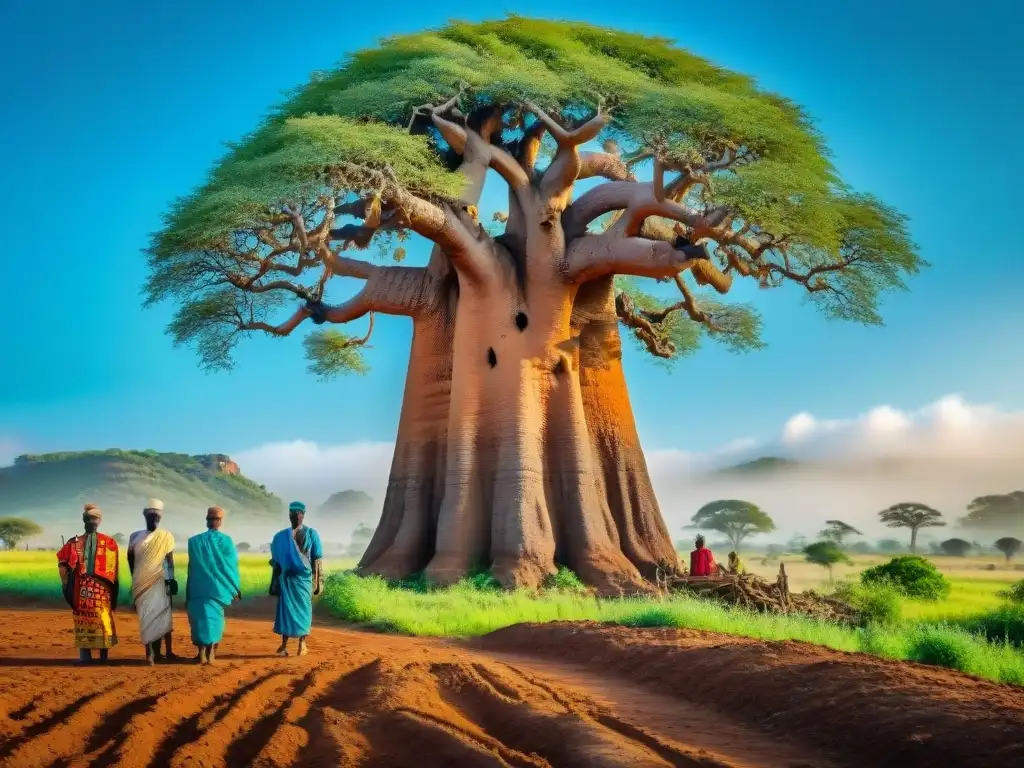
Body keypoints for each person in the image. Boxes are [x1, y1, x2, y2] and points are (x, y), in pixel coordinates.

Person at [56, 504, 120, 663]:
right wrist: (115, 597)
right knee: (102, 621)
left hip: (82, 588)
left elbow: (63, 568)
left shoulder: (73, 542)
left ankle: (86, 658)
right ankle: (103, 658)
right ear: (99, 521)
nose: (92, 522)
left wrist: (67, 587)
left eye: (92, 519)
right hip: (101, 590)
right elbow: (114, 576)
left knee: (83, 620)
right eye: (91, 519)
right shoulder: (109, 542)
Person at [186, 506, 241, 665]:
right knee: (214, 621)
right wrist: (235, 588)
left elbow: (192, 567)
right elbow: (231, 567)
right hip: (217, 589)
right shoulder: (226, 541)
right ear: (220, 522)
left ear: (207, 521)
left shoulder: (194, 541)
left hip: (198, 588)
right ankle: (211, 653)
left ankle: (201, 653)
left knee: (199, 621)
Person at [269, 501, 323, 656]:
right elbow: (277, 563)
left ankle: (302, 644)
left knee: (304, 610)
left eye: (299, 514)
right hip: (286, 580)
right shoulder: (280, 537)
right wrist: (273, 583)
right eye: (293, 514)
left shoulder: (312, 534)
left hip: (304, 580)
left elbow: (316, 560)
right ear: (289, 515)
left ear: (303, 515)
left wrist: (317, 582)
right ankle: (284, 644)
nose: (296, 517)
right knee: (285, 611)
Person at [128, 499, 177, 665]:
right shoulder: (135, 536)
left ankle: (165, 652)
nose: (154, 519)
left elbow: (170, 561)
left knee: (163, 618)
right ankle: (150, 655)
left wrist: (172, 580)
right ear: (145, 515)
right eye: (151, 516)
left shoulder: (166, 536)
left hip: (161, 582)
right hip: (143, 583)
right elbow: (131, 561)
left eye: (157, 516)